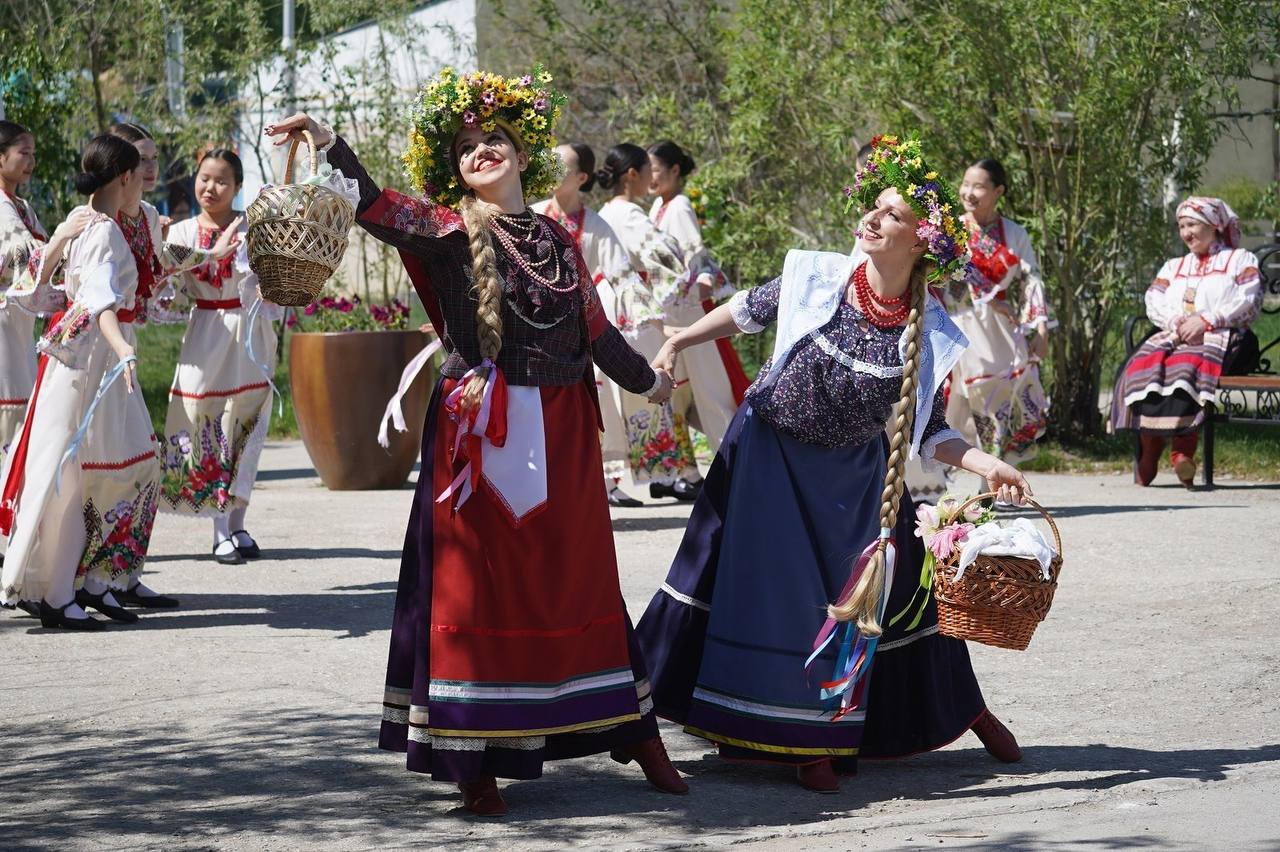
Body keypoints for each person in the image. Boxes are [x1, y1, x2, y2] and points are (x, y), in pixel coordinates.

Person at [264, 65, 686, 816]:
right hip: (480, 429)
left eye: (496, 139)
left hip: (565, 433)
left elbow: (595, 332)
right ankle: (470, 751)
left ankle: (627, 724)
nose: (483, 150)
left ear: (526, 156)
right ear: (455, 169)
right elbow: (376, 206)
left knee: (577, 579)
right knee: (478, 583)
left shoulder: (558, 236)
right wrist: (333, 145)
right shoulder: (448, 230)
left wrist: (653, 385)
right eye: (466, 146)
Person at [636, 135, 1029, 793]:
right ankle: (796, 740)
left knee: (906, 594)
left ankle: (965, 711)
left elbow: (928, 433)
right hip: (770, 461)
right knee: (774, 598)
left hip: (858, 477)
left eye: (893, 215)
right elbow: (745, 311)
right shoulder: (816, 276)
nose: (874, 219)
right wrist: (679, 335)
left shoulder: (928, 332)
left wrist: (987, 464)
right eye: (874, 207)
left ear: (919, 243)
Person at [0, 135, 162, 628]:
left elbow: (33, 294)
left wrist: (53, 252)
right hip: (91, 365)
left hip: (66, 358)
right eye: (141, 172)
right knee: (113, 470)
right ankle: (70, 590)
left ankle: (77, 587)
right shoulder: (106, 231)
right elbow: (99, 302)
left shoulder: (78, 221)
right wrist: (123, 348)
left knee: (75, 472)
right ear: (124, 179)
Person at [157, 148, 281, 563]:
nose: (210, 188)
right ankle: (218, 527)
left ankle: (237, 522)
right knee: (207, 424)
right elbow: (167, 290)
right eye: (204, 178)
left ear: (238, 187)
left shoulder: (254, 229)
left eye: (222, 181)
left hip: (249, 334)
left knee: (246, 425)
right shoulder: (180, 233)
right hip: (206, 335)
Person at [532, 143, 665, 507]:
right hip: (531, 331)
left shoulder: (597, 226)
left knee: (599, 397)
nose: (552, 167)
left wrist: (653, 319)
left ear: (581, 178)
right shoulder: (531, 214)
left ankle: (604, 480)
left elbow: (623, 277)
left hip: (577, 330)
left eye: (562, 164)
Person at [1111, 197, 1261, 486]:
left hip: (1225, 336)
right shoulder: (1174, 265)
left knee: (1187, 368)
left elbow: (1249, 297)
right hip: (1177, 334)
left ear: (1214, 225)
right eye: (1181, 226)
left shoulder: (1239, 260)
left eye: (1192, 224)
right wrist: (1175, 322)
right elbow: (1153, 297)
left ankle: (1182, 450)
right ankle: (1151, 444)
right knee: (1143, 367)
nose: (1186, 233)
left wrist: (1208, 320)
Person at [598, 144, 702, 500]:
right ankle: (663, 473)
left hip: (613, 301)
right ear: (632, 175)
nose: (650, 178)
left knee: (615, 394)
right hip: (630, 304)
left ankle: (637, 476)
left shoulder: (605, 211)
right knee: (651, 385)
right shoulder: (629, 213)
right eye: (647, 170)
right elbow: (665, 254)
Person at [944, 158, 1052, 466]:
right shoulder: (950, 230)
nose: (969, 192)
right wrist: (989, 299)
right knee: (955, 408)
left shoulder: (1015, 233)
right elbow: (943, 280)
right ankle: (936, 489)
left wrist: (1041, 330)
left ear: (998, 191)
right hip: (957, 325)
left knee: (1001, 403)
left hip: (1001, 332)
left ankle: (990, 484)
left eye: (979, 186)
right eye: (966, 184)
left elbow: (1031, 280)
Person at [648, 140, 750, 452]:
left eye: (655, 170)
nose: (650, 177)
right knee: (680, 387)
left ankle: (732, 455)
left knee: (711, 386)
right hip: (672, 311)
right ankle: (688, 464)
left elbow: (698, 259)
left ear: (674, 170)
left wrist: (697, 295)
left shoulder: (678, 206)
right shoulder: (658, 207)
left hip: (689, 308)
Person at [0, 121, 49, 461]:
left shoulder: (23, 207)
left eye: (33, 154)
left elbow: (40, 249)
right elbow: (25, 253)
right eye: (23, 153)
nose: (30, 161)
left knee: (21, 406)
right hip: (3, 321)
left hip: (18, 323)